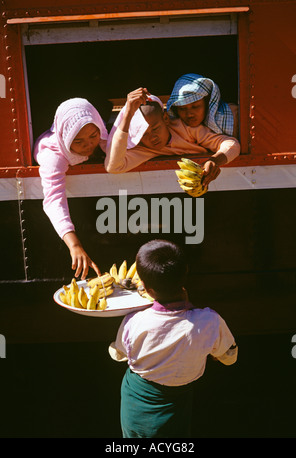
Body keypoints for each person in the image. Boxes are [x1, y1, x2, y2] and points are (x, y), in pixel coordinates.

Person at [109, 239, 238, 438]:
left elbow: (119, 353)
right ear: (185, 272)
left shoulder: (134, 321)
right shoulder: (209, 320)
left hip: (137, 399)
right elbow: (230, 357)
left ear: (146, 288)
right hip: (179, 399)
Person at [104, 88, 240, 187]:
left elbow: (231, 144)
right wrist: (127, 114)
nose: (152, 137)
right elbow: (113, 167)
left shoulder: (187, 129)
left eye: (156, 128)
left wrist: (215, 160)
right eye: (143, 134)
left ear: (166, 118)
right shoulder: (143, 149)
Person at [34, 97, 108, 279]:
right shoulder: (52, 158)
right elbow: (53, 201)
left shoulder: (100, 135)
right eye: (78, 141)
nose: (89, 145)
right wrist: (74, 245)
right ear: (65, 138)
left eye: (93, 136)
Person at [166, 72, 239, 138]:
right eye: (182, 108)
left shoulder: (235, 116)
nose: (189, 114)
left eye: (195, 106)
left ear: (207, 102)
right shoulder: (174, 130)